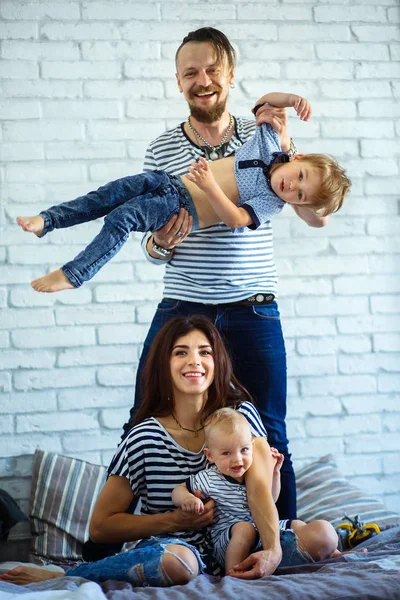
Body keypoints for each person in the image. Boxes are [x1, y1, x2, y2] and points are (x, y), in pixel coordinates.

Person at [122, 26, 338, 522]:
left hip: (253, 308)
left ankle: (281, 544)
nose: (203, 80)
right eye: (191, 72)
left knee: (270, 431)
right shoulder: (161, 149)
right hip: (183, 308)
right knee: (143, 421)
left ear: (230, 76)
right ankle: (130, 535)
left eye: (212, 70)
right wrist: (160, 243)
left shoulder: (259, 134)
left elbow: (315, 214)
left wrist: (287, 142)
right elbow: (150, 245)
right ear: (179, 82)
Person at [1, 316, 309, 586]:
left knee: (321, 537)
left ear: (218, 363)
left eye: (205, 352)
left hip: (241, 540)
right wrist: (176, 520)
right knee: (179, 565)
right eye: (181, 352)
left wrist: (272, 550)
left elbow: (259, 490)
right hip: (177, 548)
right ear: (164, 363)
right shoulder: (144, 437)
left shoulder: (242, 415)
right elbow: (101, 526)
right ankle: (73, 574)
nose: (195, 361)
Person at [16, 90, 350, 294]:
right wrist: (292, 101)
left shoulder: (270, 202)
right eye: (300, 177)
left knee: (122, 218)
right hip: (167, 181)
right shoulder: (269, 143)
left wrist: (209, 185)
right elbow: (265, 102)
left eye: (300, 195)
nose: (292, 187)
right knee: (108, 193)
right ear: (298, 158)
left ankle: (75, 274)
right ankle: (49, 220)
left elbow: (235, 219)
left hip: (183, 206)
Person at [172, 408, 340, 574]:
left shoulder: (253, 473)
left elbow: (272, 499)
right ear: (210, 456)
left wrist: (275, 473)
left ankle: (332, 552)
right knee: (245, 529)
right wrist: (187, 499)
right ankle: (233, 573)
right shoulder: (209, 479)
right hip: (228, 541)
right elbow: (179, 489)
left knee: (298, 524)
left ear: (252, 446)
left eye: (244, 450)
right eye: (226, 453)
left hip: (261, 535)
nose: (237, 458)